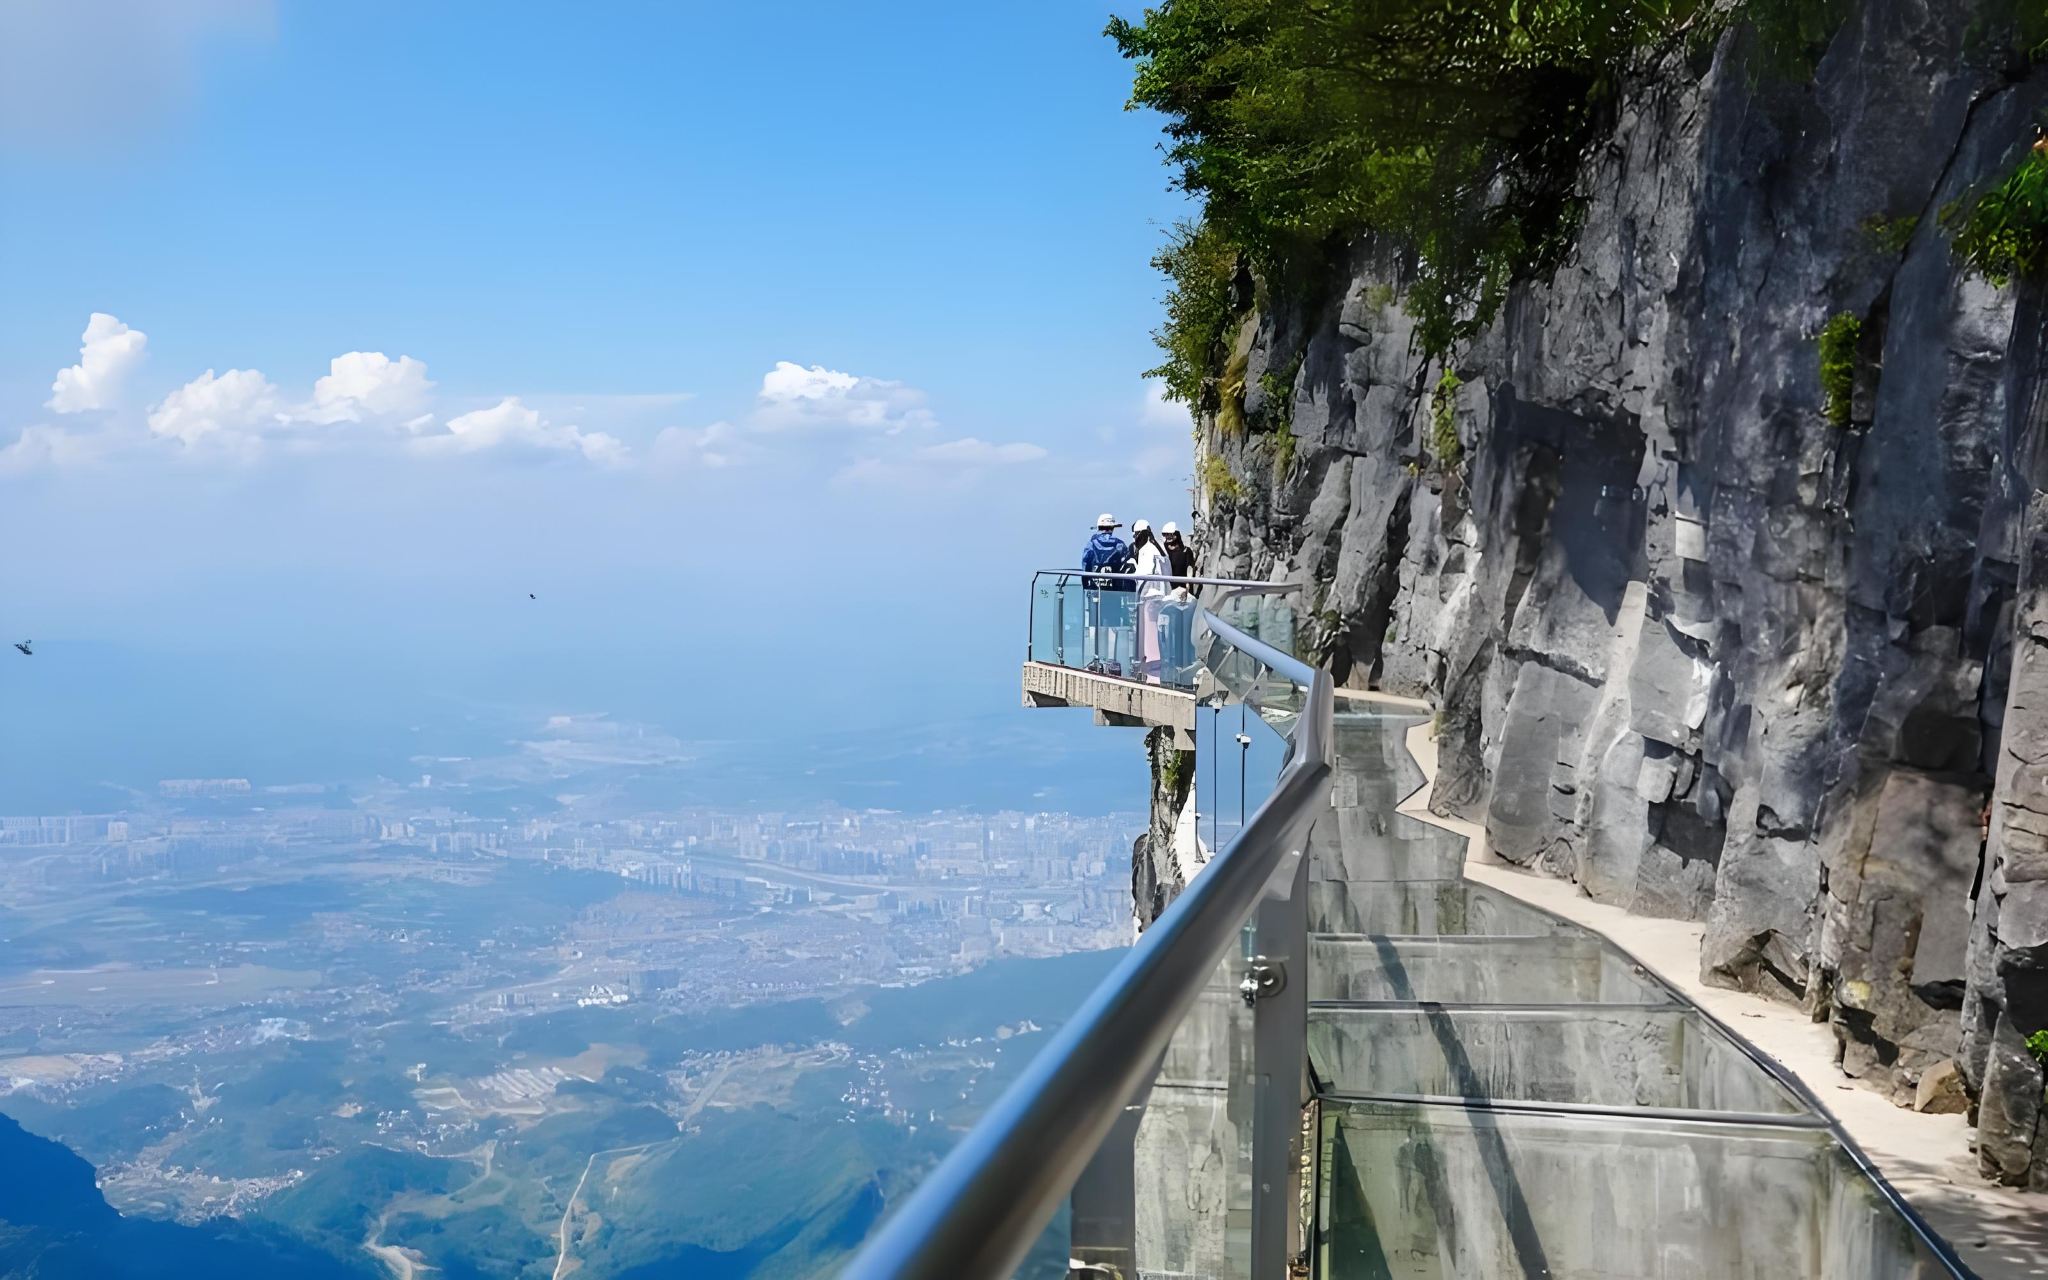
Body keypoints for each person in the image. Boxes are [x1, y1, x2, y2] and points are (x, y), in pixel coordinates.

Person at [1080, 513, 1135, 675]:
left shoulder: (1091, 544)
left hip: (1096, 592)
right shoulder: (1119, 545)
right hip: (1114, 592)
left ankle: (1098, 660)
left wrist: (1087, 588)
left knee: (1096, 626)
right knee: (1112, 626)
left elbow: (1085, 567)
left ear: (1098, 527)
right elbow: (1127, 567)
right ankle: (1112, 662)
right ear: (1112, 528)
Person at [1131, 519, 1170, 681]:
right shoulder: (1159, 548)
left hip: (1148, 596)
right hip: (1161, 595)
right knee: (1158, 633)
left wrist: (1132, 569)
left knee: (1149, 635)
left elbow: (1144, 574)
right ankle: (1157, 668)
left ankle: (1150, 671)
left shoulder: (1146, 550)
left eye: (1135, 534)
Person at [1160, 521, 1196, 592]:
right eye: (1165, 534)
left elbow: (1189, 570)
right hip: (1168, 591)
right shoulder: (1164, 551)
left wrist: (1187, 589)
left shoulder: (1186, 551)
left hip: (1182, 590)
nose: (1168, 536)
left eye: (1170, 534)